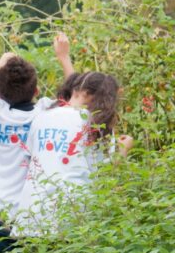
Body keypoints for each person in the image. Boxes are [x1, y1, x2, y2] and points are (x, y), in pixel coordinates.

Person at [0, 33, 74, 253]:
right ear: (36, 91)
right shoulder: (45, 113)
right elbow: (76, 97)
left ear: (0, 91)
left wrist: (6, 57)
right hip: (29, 211)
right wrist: (64, 57)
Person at [13, 71, 131, 238]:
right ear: (91, 95)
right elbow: (107, 175)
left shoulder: (42, 116)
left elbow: (32, 157)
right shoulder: (96, 124)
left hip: (31, 214)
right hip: (73, 218)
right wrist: (123, 149)